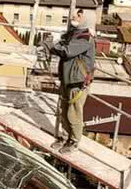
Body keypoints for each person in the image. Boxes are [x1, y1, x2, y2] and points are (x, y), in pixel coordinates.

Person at [52, 9, 95, 154]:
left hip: (77, 82)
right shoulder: (74, 34)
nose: (74, 16)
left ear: (86, 19)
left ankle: (74, 141)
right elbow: (62, 43)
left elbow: (67, 51)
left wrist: (51, 46)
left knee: (74, 113)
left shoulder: (85, 38)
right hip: (67, 78)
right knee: (64, 110)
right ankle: (64, 137)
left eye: (79, 15)